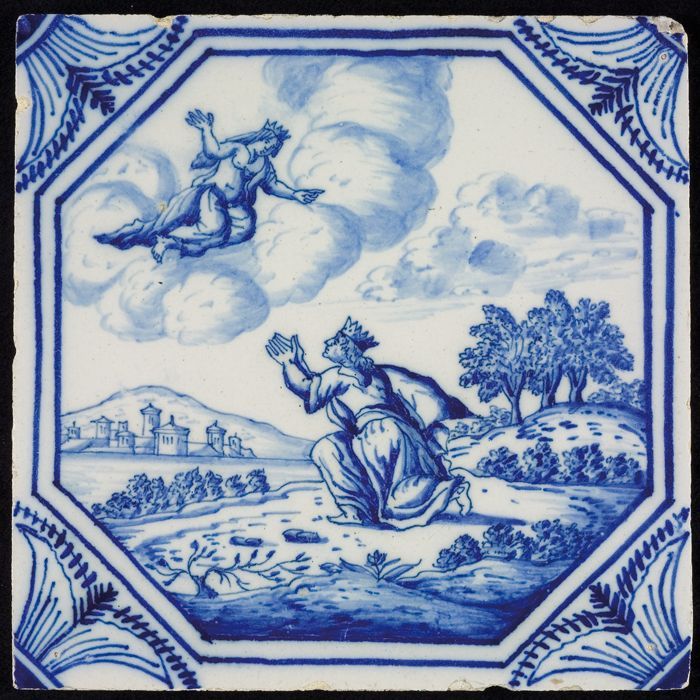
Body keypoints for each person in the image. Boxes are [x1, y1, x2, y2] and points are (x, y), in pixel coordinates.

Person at [266, 318, 471, 530]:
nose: (327, 343)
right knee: (330, 449)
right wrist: (299, 361)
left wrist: (288, 362)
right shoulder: (375, 373)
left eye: (334, 341)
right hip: (396, 432)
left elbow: (307, 388)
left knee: (388, 488)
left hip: (377, 433)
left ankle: (361, 510)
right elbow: (316, 385)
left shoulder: (340, 373)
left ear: (346, 349)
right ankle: (360, 510)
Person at [95, 110, 324, 262]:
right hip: (213, 195)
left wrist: (295, 193)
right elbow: (213, 151)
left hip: (237, 205)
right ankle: (166, 239)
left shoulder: (264, 165)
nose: (267, 148)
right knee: (215, 228)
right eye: (266, 142)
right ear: (259, 137)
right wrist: (207, 129)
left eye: (272, 147)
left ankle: (175, 244)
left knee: (241, 231)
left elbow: (273, 185)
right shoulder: (237, 148)